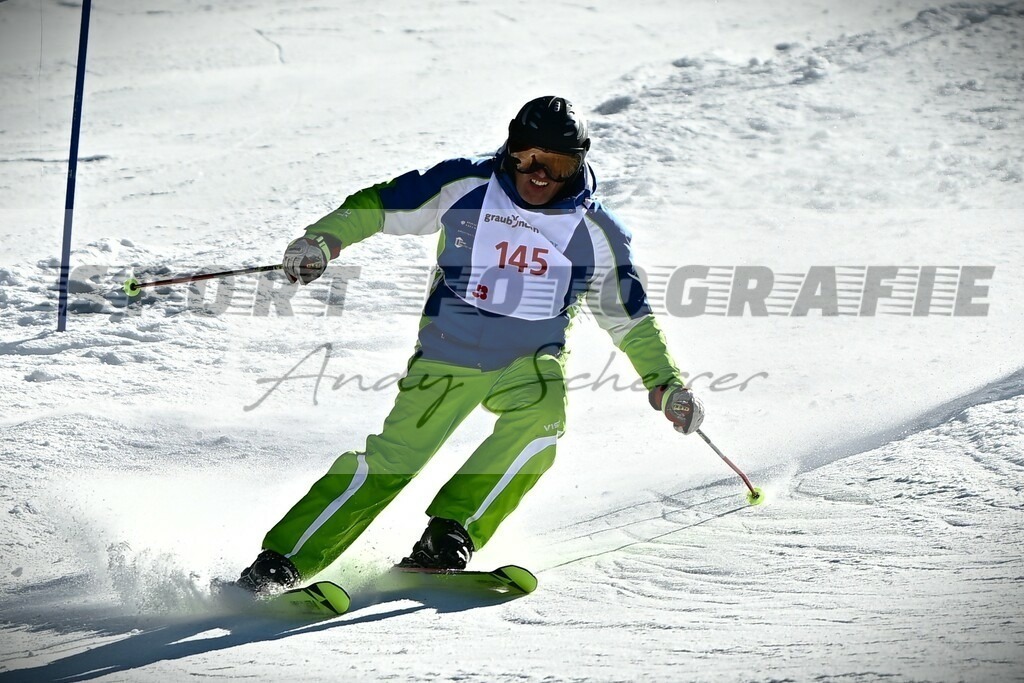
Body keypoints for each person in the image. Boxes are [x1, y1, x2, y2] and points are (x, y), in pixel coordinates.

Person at [236, 96, 705, 594]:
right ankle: (282, 562)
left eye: (559, 164)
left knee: (543, 423)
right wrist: (323, 240)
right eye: (528, 157)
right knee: (397, 461)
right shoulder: (467, 185)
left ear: (580, 163)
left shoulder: (595, 230)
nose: (540, 174)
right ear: (510, 149)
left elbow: (629, 316)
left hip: (529, 358)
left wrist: (665, 384)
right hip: (448, 351)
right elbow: (380, 205)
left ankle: (451, 532)